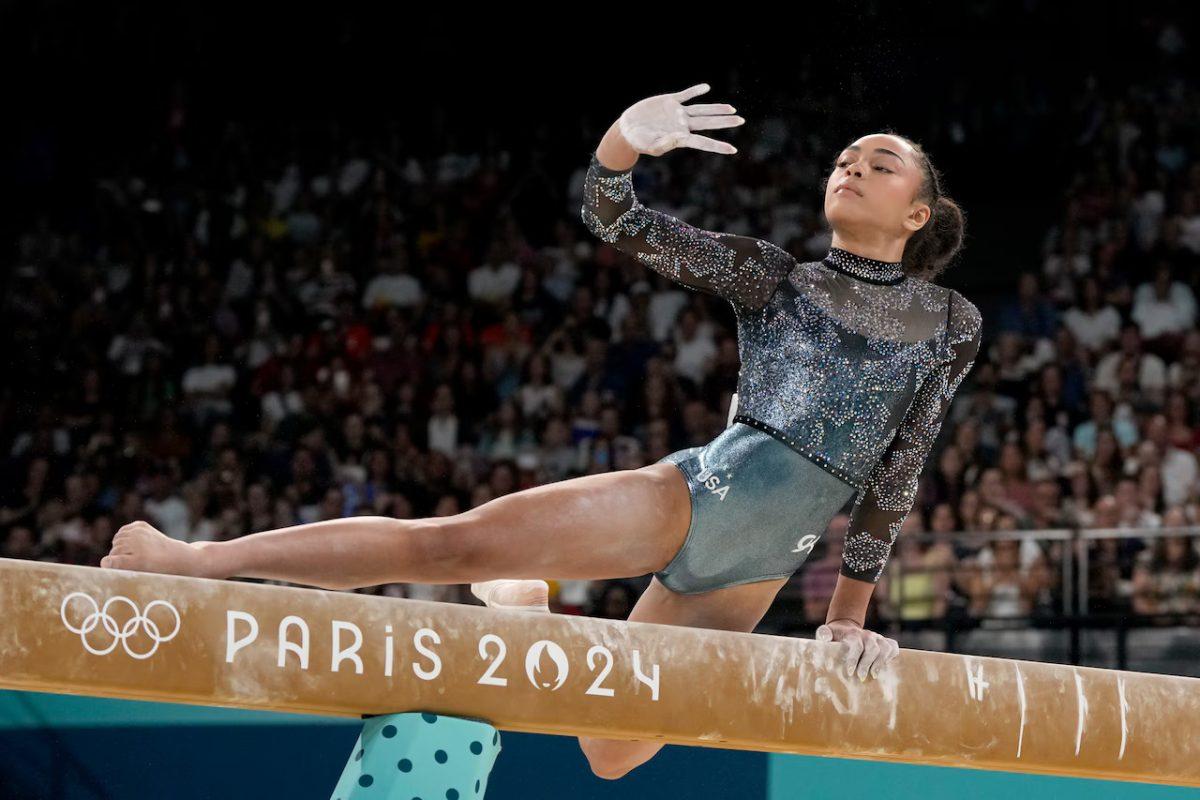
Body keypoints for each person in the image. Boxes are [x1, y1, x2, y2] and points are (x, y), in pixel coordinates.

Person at [102, 84, 981, 780]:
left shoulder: (952, 324)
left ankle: (530, 616)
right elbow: (615, 217)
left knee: (610, 753)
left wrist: (848, 618)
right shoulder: (773, 277)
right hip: (694, 499)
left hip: (763, 557)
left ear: (918, 216)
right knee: (449, 546)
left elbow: (897, 472)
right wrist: (623, 143)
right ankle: (200, 562)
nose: (850, 167)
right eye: (843, 158)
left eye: (879, 163)